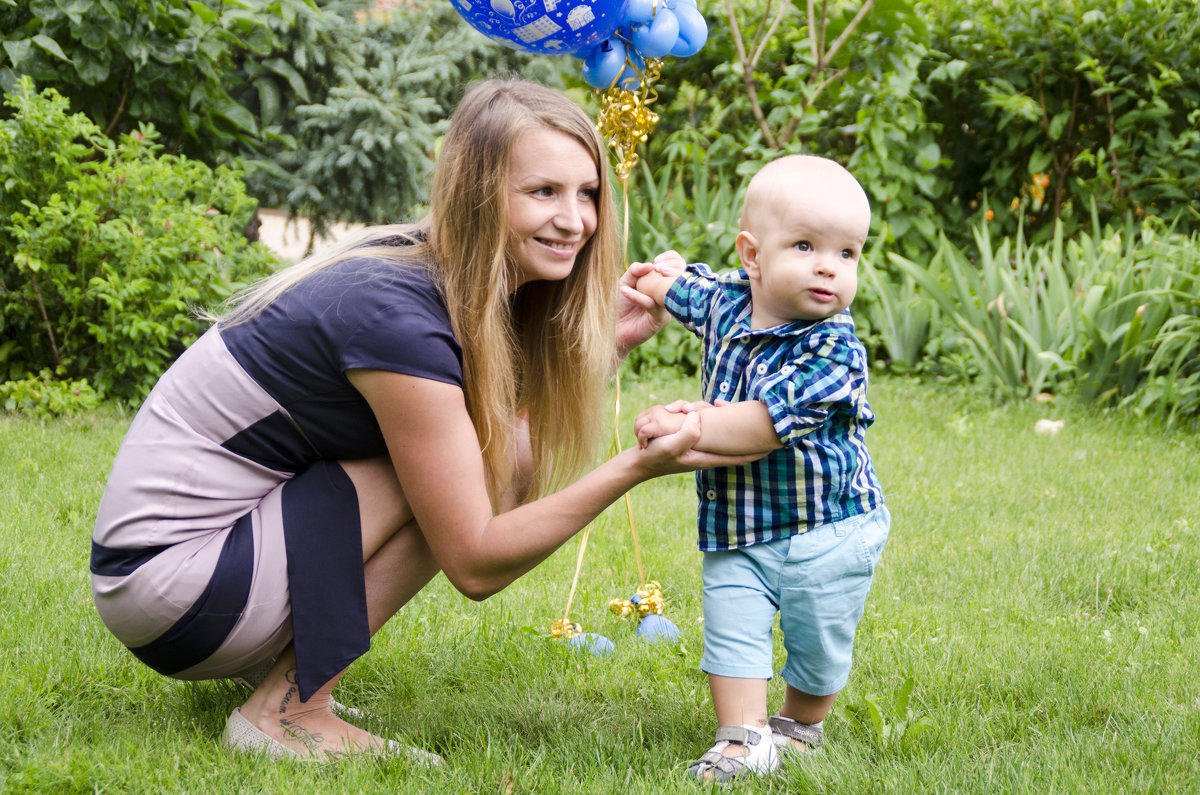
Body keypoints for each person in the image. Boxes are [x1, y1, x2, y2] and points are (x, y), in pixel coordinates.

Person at [89, 78, 753, 763]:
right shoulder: (395, 316)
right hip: (174, 585)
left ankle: (289, 686)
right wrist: (637, 465)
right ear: (478, 191)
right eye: (543, 192)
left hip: (200, 575)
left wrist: (606, 342)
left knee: (474, 459)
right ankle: (287, 711)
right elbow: (474, 557)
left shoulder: (432, 265)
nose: (575, 220)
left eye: (586, 194)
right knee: (462, 475)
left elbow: (495, 428)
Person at [632, 155, 891, 782]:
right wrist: (654, 281)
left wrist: (684, 426)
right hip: (738, 526)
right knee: (732, 630)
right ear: (752, 255)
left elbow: (762, 425)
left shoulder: (835, 349)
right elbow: (691, 294)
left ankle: (800, 723)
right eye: (805, 246)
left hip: (827, 531)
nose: (829, 266)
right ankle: (742, 738)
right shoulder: (728, 302)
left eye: (848, 253)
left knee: (818, 644)